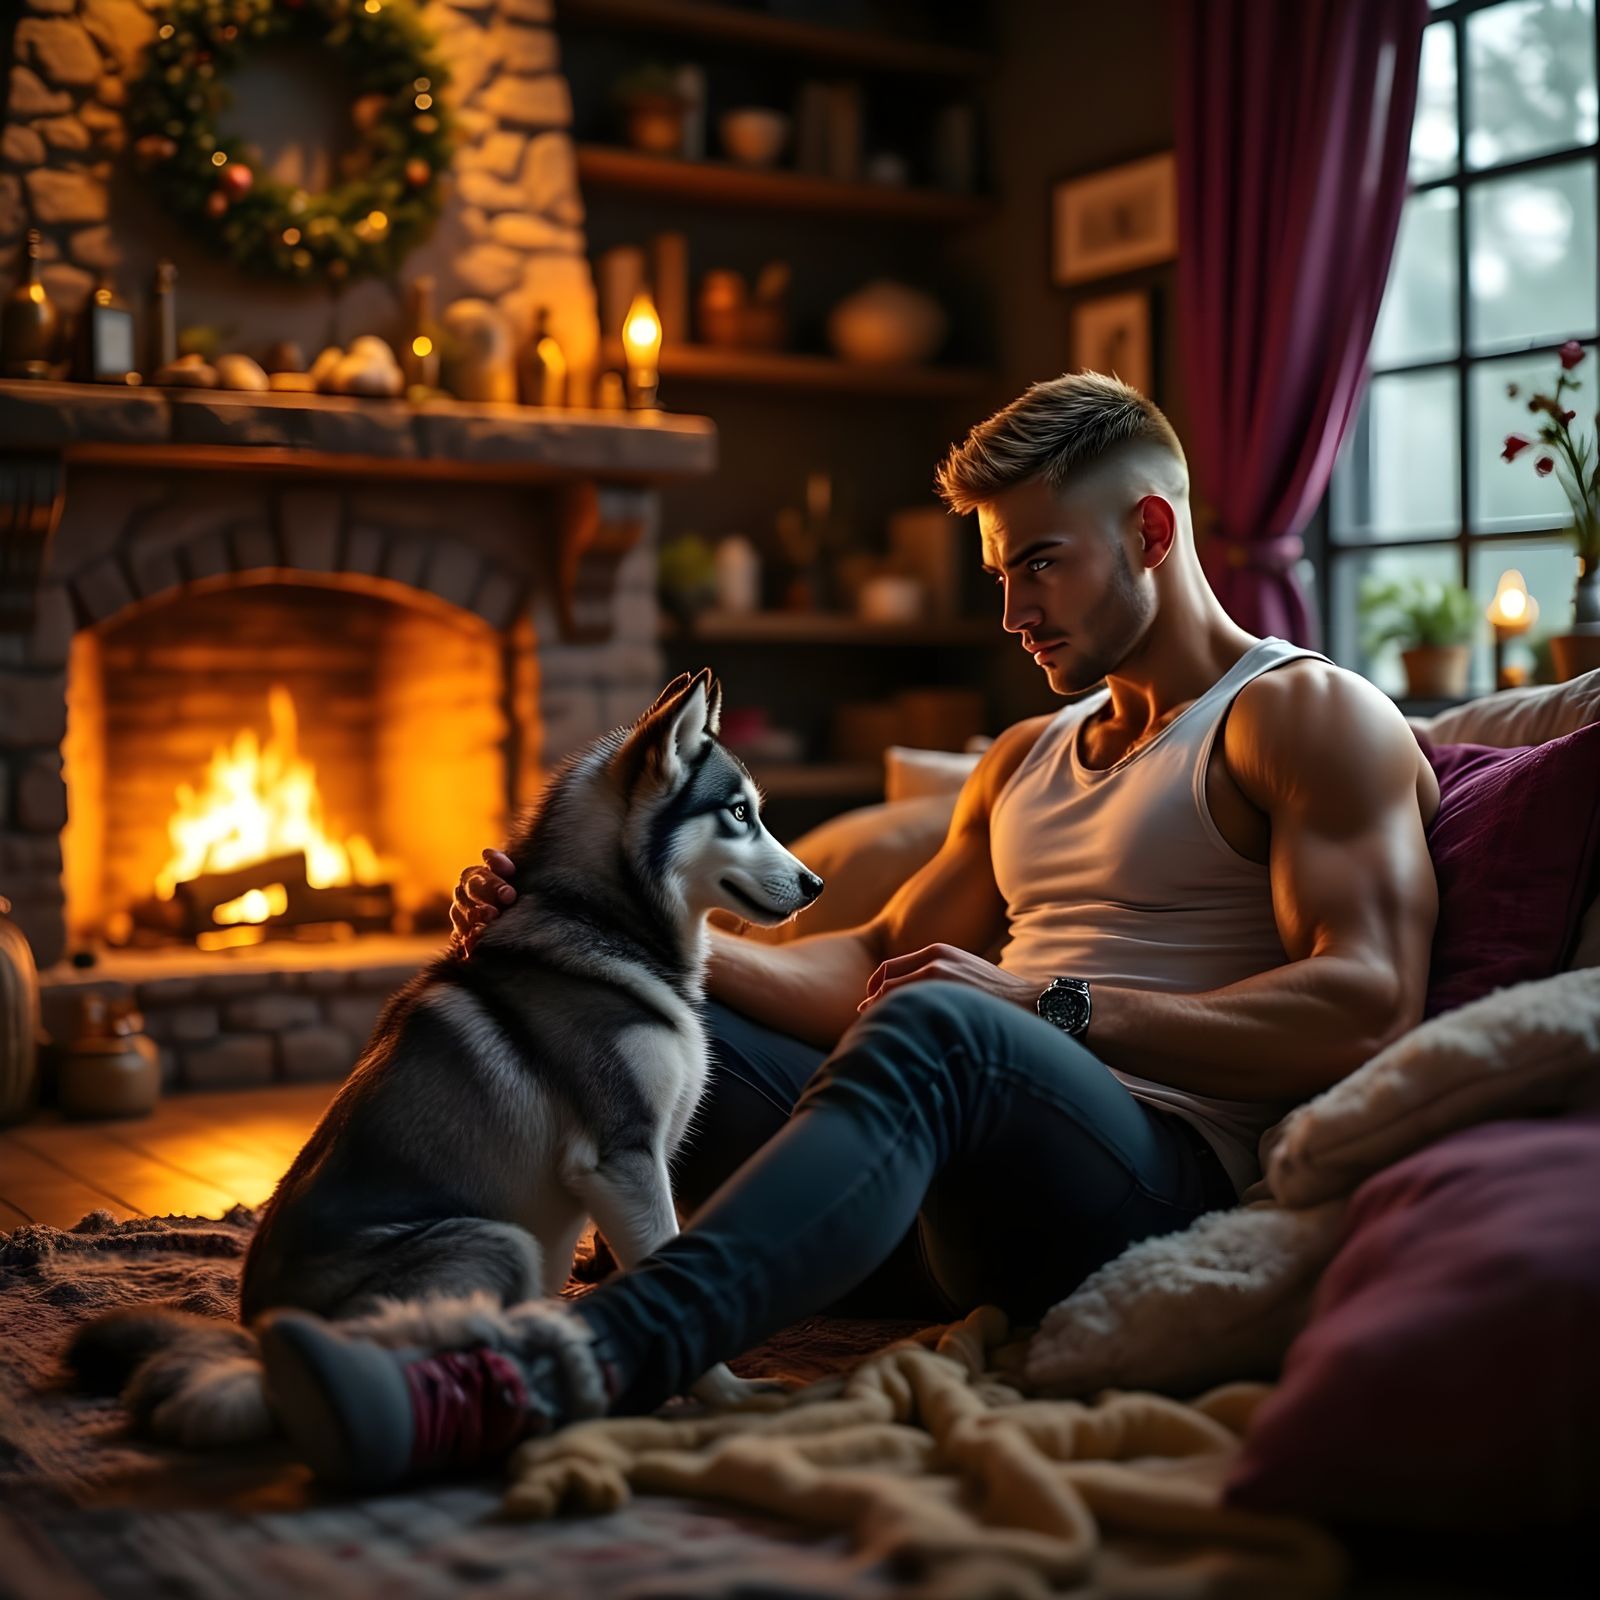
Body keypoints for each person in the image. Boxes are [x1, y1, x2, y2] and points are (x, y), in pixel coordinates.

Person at [261, 374, 1441, 1484]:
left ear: (1147, 532)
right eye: (997, 574)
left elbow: (1367, 1002)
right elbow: (875, 962)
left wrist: (1043, 1005)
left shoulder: (1301, 713)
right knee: (606, 1004)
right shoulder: (1025, 755)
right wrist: (606, 939)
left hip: (1126, 1186)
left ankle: (537, 1376)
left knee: (944, 1025)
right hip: (929, 1189)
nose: (1012, 612)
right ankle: (365, 1298)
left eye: (1042, 565)